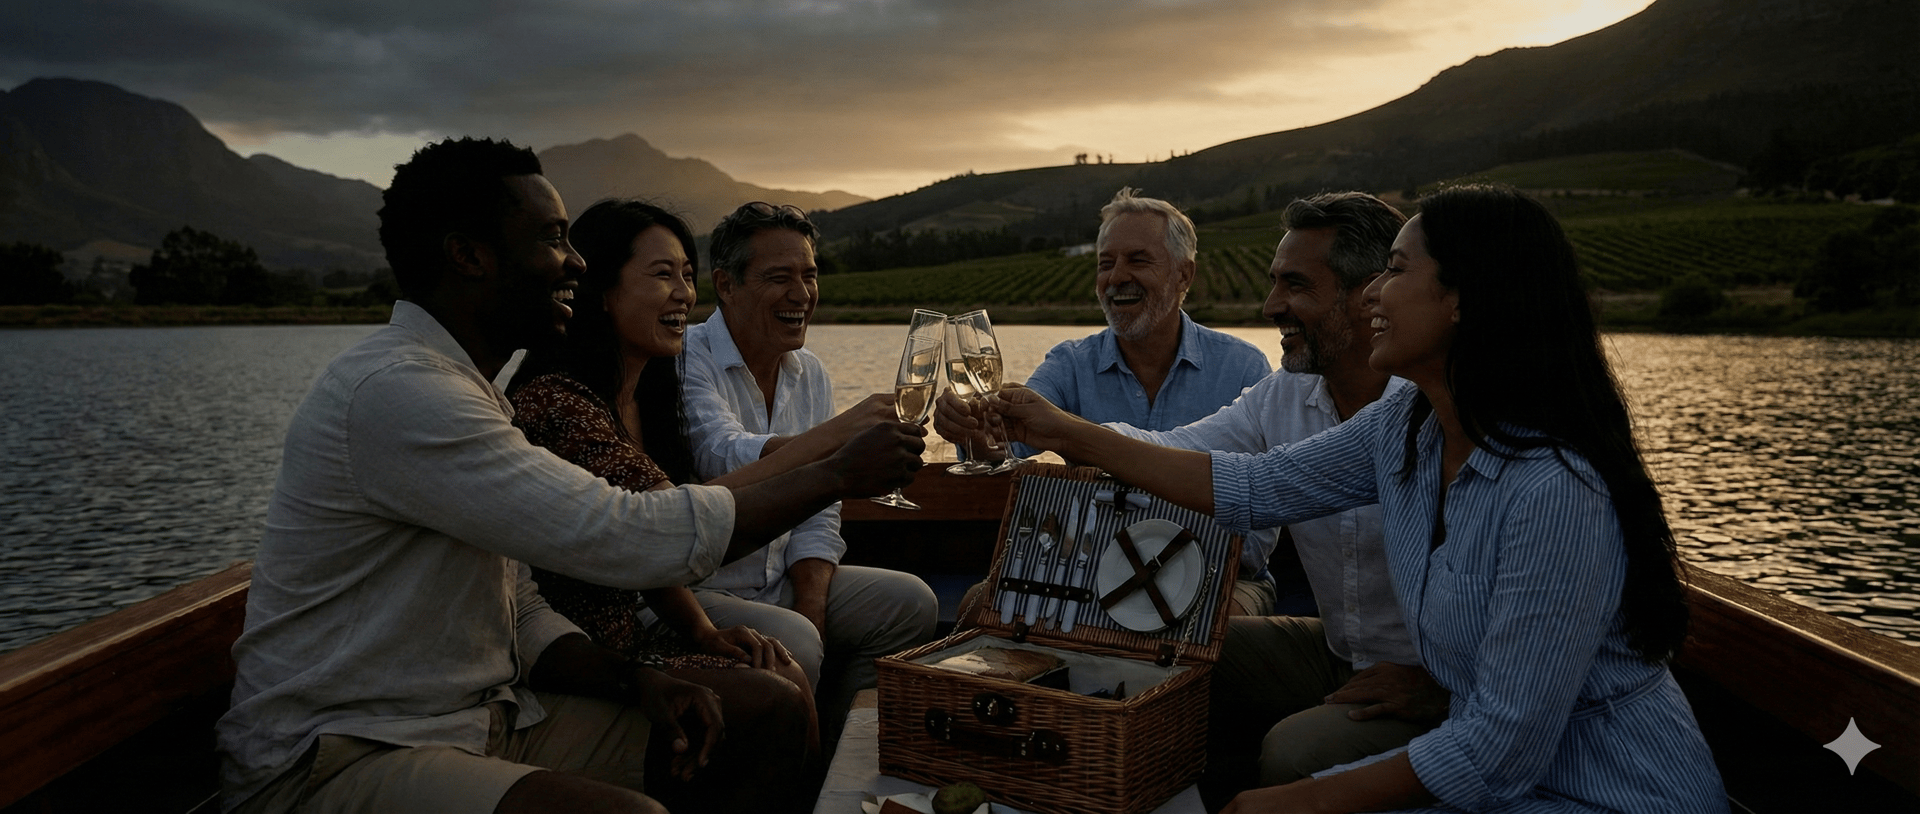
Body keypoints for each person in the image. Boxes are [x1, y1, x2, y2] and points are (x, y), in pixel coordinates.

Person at [214, 138, 925, 814]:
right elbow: (628, 535)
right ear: (468, 256)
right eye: (554, 238)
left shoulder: (472, 390)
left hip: (488, 716)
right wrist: (833, 471)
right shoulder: (399, 392)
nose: (577, 262)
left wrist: (637, 679)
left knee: (764, 711)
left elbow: (517, 607)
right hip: (344, 751)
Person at [997, 184, 1727, 812]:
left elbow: (1499, 755)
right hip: (1496, 780)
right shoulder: (1404, 424)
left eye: (1398, 272)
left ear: (1466, 301)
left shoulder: (1555, 491)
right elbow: (1250, 487)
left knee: (1292, 767)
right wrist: (1053, 427)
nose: (1378, 290)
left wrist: (1291, 802)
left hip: (1605, 793)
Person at [1095, 193, 1441, 800]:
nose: (1270, 305)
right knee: (1155, 650)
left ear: (1371, 294)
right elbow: (1174, 451)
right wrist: (1041, 426)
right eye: (1274, 282)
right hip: (1339, 649)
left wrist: (1442, 684)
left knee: (1292, 752)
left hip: (1437, 679)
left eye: (1296, 286)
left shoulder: (1438, 411)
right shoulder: (1285, 393)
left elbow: (1247, 489)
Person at [505, 199, 823, 758]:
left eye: (686, 275)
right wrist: (838, 456)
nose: (683, 294)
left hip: (633, 626)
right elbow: (663, 529)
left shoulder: (651, 393)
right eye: (661, 275)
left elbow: (651, 543)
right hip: (585, 651)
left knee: (788, 668)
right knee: (780, 687)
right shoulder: (560, 403)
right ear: (602, 290)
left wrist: (702, 632)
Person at [934, 186, 1276, 609]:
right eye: (1105, 264)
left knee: (1221, 629)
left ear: (1184, 275)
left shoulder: (1243, 368)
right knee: (976, 605)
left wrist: (1166, 577)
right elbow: (1005, 444)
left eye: (1137, 260)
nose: (1116, 278)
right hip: (1087, 573)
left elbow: (1262, 520)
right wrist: (974, 435)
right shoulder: (1069, 364)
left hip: (1214, 575)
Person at [676, 200, 940, 747]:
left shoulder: (810, 372)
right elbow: (719, 453)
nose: (802, 294)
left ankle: (843, 755)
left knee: (911, 604)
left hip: (780, 580)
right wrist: (840, 437)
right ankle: (789, 776)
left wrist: (813, 600)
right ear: (725, 285)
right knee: (798, 637)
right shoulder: (686, 355)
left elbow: (822, 508)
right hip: (704, 589)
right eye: (780, 278)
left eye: (810, 275)